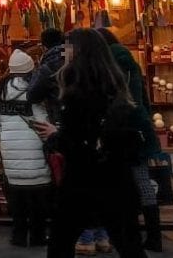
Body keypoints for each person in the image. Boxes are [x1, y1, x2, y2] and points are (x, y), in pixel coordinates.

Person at [32, 28, 147, 258]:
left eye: (68, 47)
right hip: (117, 179)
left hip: (81, 180)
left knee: (60, 244)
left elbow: (74, 141)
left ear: (79, 52)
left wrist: (54, 135)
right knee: (129, 244)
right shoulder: (116, 85)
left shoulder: (77, 91)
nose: (64, 52)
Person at [100, 29, 165, 252]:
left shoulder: (109, 64)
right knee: (143, 182)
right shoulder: (131, 64)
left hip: (119, 131)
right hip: (138, 129)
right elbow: (144, 98)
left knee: (118, 183)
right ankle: (154, 235)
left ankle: (126, 232)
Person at [0, 49, 52, 247]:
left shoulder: (0, 92)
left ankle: (19, 236)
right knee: (38, 199)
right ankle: (38, 236)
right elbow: (42, 121)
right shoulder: (35, 92)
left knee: (17, 199)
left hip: (11, 152)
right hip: (36, 151)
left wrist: (6, 138)